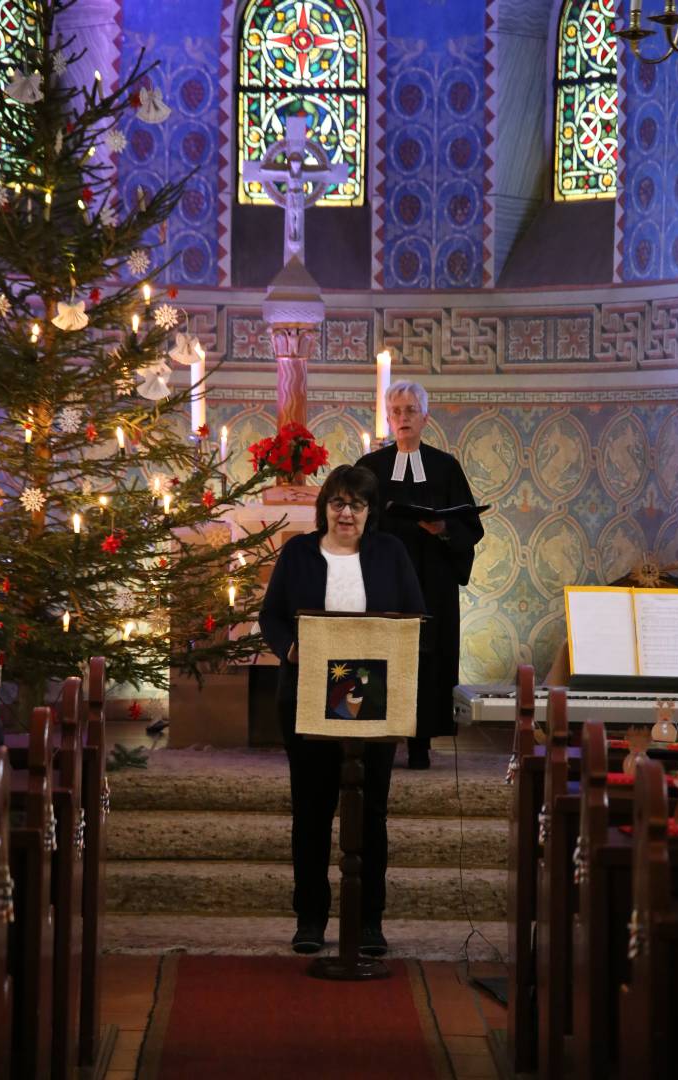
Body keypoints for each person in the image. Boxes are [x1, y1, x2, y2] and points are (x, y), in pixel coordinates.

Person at [259, 464, 425, 957]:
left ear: (370, 512)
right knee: (312, 811)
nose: (346, 513)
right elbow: (271, 615)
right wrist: (290, 649)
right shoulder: (298, 553)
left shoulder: (390, 553)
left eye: (356, 504)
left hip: (374, 696)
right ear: (324, 507)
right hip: (308, 690)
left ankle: (368, 922)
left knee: (371, 812)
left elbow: (414, 614)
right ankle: (310, 918)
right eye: (337, 503)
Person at [357, 380, 484, 769]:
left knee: (428, 660)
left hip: (432, 581)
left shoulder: (446, 467)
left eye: (411, 410)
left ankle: (420, 743)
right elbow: (355, 520)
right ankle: (373, 740)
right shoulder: (370, 468)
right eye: (395, 411)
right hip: (384, 581)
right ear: (388, 418)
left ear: (426, 417)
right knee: (381, 657)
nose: (403, 418)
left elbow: (471, 527)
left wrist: (443, 529)